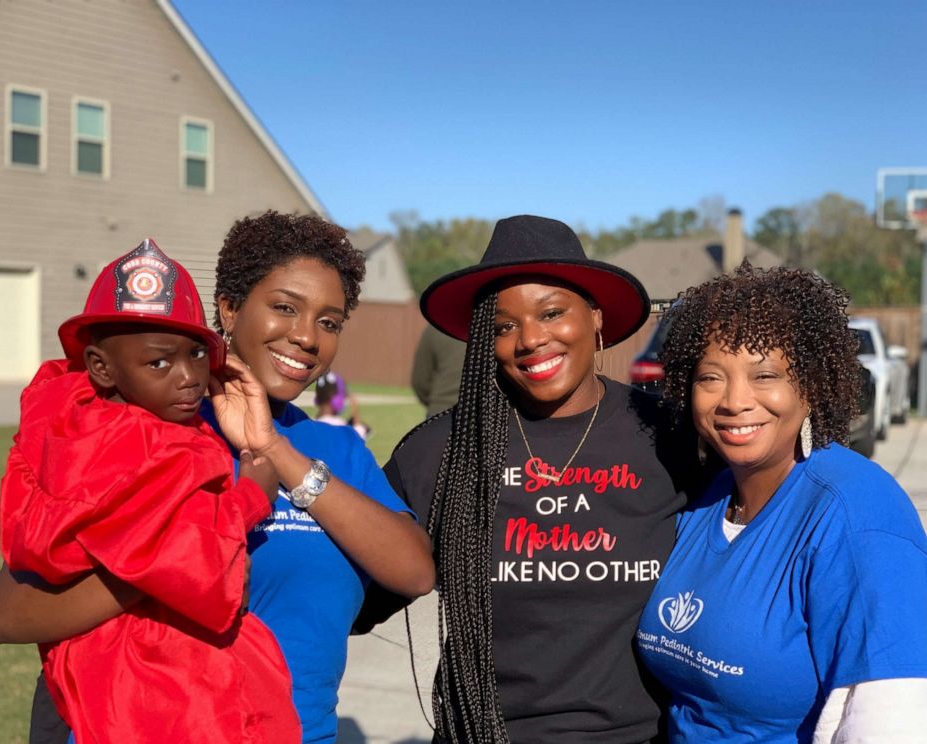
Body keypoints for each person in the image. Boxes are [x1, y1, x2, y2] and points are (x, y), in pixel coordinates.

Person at [0, 212, 436, 744]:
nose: (307, 337)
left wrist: (274, 450)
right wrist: (182, 563)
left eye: (330, 322)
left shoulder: (336, 450)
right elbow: (6, 617)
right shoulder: (148, 431)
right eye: (285, 307)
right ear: (229, 308)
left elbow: (414, 572)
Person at [373, 215, 698, 743]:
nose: (530, 339)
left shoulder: (668, 436)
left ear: (595, 317)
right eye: (503, 326)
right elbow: (349, 597)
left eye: (551, 313)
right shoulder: (443, 450)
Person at [0, 238, 299, 744]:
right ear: (101, 367)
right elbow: (186, 564)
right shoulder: (138, 446)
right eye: (159, 363)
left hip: (113, 658)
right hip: (145, 671)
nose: (188, 378)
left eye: (198, 353)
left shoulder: (68, 425)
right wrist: (252, 496)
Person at [635, 263, 927, 742]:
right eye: (711, 377)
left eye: (765, 374)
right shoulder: (706, 496)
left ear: (811, 385)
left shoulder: (855, 514)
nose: (734, 400)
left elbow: (890, 718)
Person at [411, 325, 466, 417]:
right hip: (482, 415)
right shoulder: (490, 326)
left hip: (441, 410)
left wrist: (438, 403)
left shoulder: (435, 328)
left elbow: (420, 380)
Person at [314, 371, 369, 440]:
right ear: (337, 399)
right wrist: (355, 409)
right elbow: (359, 435)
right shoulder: (341, 426)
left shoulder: (307, 425)